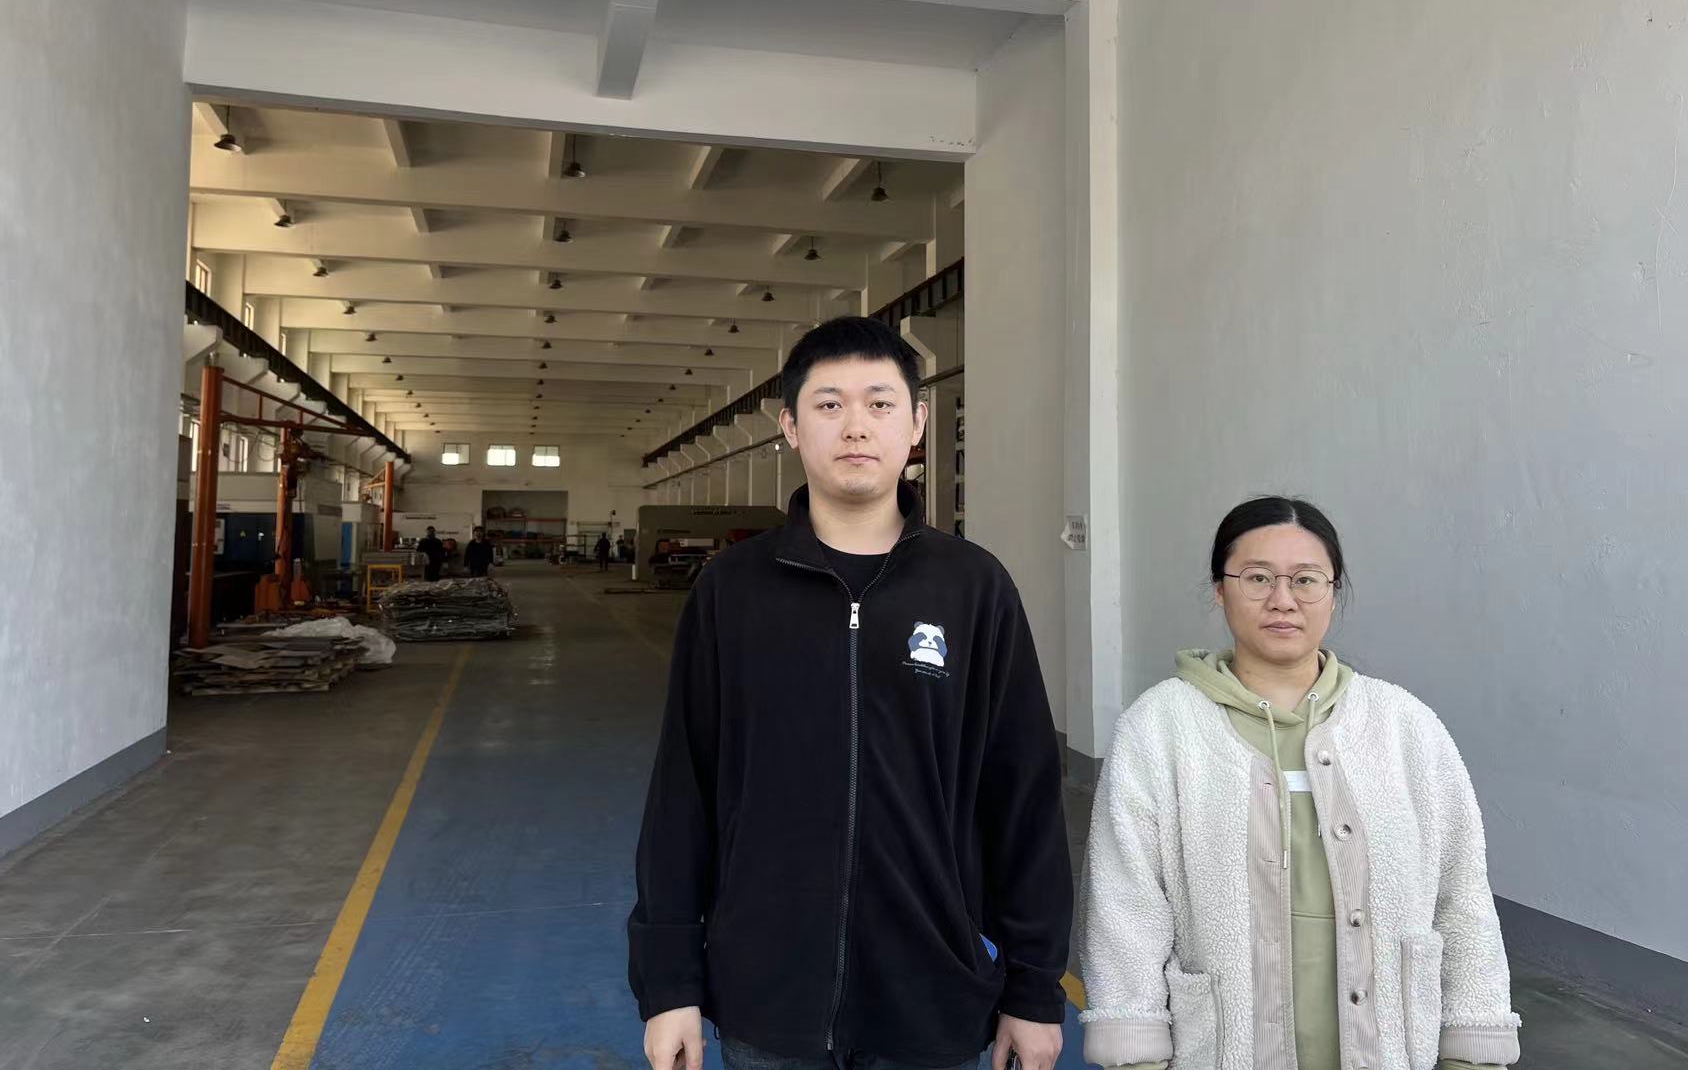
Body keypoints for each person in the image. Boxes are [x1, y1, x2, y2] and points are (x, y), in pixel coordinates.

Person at [630, 316, 1072, 1070]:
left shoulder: (973, 587)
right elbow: (684, 791)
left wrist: (1033, 988)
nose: (856, 426)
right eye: (829, 404)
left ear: (917, 423)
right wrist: (670, 982)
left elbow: (1021, 793)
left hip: (929, 993)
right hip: (766, 994)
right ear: (791, 427)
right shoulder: (732, 591)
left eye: (879, 403)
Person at [1078, 497, 1521, 1070]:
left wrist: (1473, 1048)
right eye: (1257, 578)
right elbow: (1125, 905)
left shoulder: (1406, 728)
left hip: (1390, 1052)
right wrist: (1135, 1052)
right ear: (1220, 590)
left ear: (1333, 592)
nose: (1282, 600)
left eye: (1306, 580)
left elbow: (1462, 897)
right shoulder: (1160, 729)